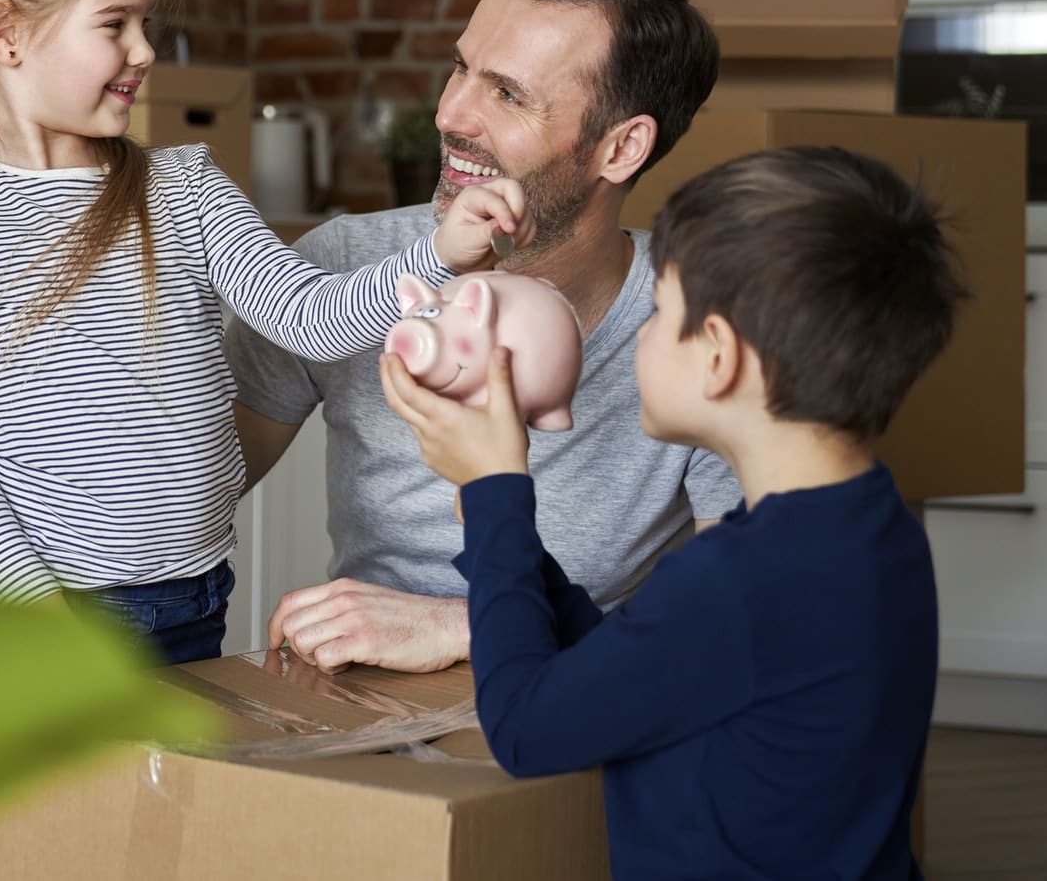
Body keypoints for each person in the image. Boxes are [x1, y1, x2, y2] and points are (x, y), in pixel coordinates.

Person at [0, 0, 527, 665]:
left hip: (193, 596)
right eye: (114, 23)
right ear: (5, 32)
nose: (144, 50)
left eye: (145, 22)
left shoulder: (182, 184)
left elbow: (307, 315)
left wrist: (437, 251)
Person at [385, 145, 960, 880]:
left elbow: (528, 730)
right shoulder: (875, 527)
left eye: (661, 312)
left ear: (718, 356)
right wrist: (491, 505)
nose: (642, 336)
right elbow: (635, 667)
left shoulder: (735, 581)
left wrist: (501, 487)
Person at [224, 0, 737, 673]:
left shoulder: (699, 315)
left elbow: (741, 622)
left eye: (507, 93)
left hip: (586, 709)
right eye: (460, 66)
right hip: (355, 711)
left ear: (621, 149)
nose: (450, 113)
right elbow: (170, 506)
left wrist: (468, 625)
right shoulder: (345, 274)